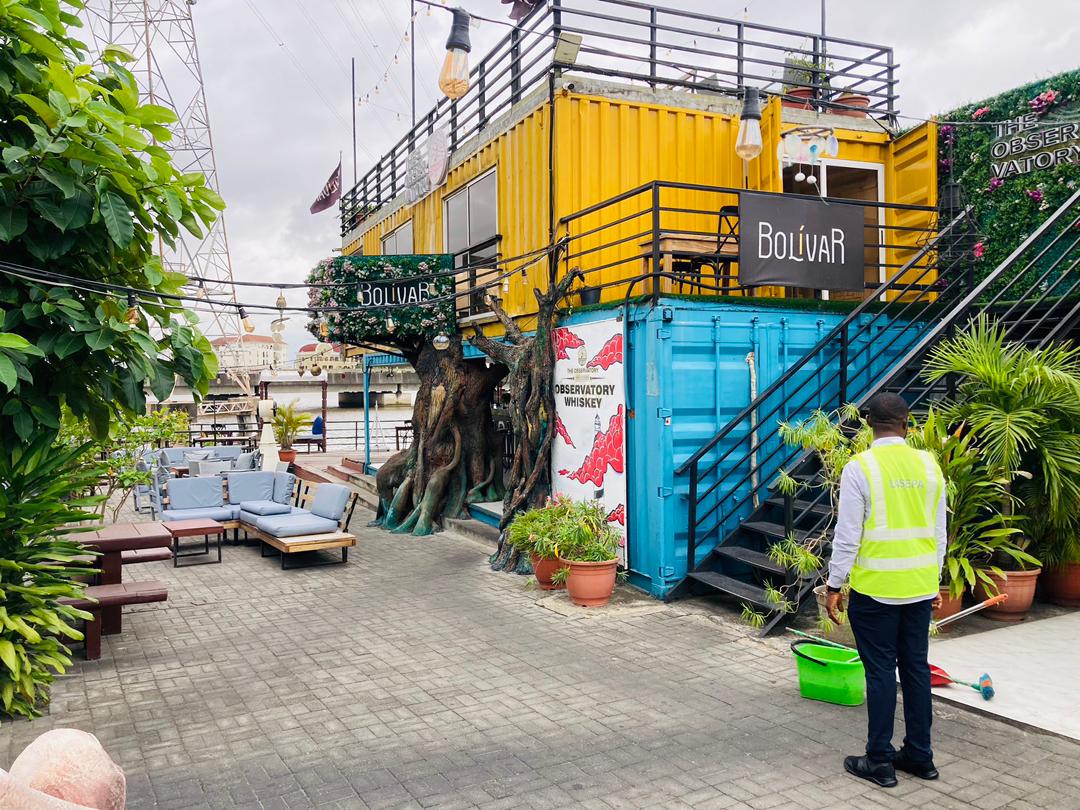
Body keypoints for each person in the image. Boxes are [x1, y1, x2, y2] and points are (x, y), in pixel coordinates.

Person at [825, 393, 946, 788]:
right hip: (918, 587)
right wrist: (933, 581)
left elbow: (848, 536)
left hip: (877, 590)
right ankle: (920, 755)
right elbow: (938, 533)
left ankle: (879, 759)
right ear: (907, 423)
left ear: (869, 425)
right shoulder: (929, 466)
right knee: (915, 670)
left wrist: (834, 584)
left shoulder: (861, 467)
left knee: (880, 673)